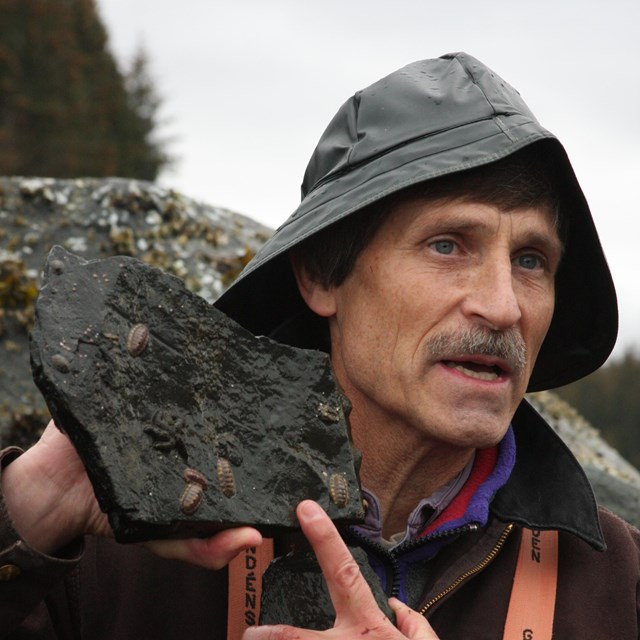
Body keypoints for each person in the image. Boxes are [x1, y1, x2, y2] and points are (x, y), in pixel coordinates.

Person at [0, 52, 638, 639]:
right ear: (321, 276)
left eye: (531, 260)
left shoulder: (617, 585)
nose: (503, 305)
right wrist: (32, 508)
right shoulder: (123, 547)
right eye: (448, 245)